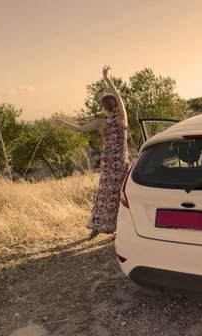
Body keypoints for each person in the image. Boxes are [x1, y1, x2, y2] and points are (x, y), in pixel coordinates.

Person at [56, 65, 129, 240]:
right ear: (116, 107)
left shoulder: (100, 123)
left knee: (104, 196)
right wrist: (107, 79)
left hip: (108, 166)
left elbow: (80, 129)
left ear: (104, 108)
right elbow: (119, 97)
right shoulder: (122, 120)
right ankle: (120, 228)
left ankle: (97, 227)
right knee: (120, 196)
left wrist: (63, 123)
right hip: (121, 165)